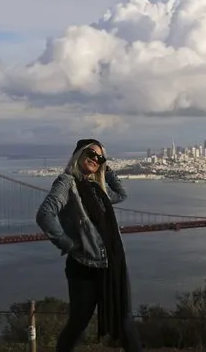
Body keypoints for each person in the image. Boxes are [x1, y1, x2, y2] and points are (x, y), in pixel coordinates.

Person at [36, 139, 142, 352]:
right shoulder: (67, 183)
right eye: (91, 154)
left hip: (113, 264)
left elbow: (122, 194)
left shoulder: (96, 188)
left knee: (126, 321)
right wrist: (67, 243)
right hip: (85, 267)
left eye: (100, 157)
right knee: (78, 325)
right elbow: (45, 214)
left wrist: (107, 169)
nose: (95, 159)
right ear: (79, 155)